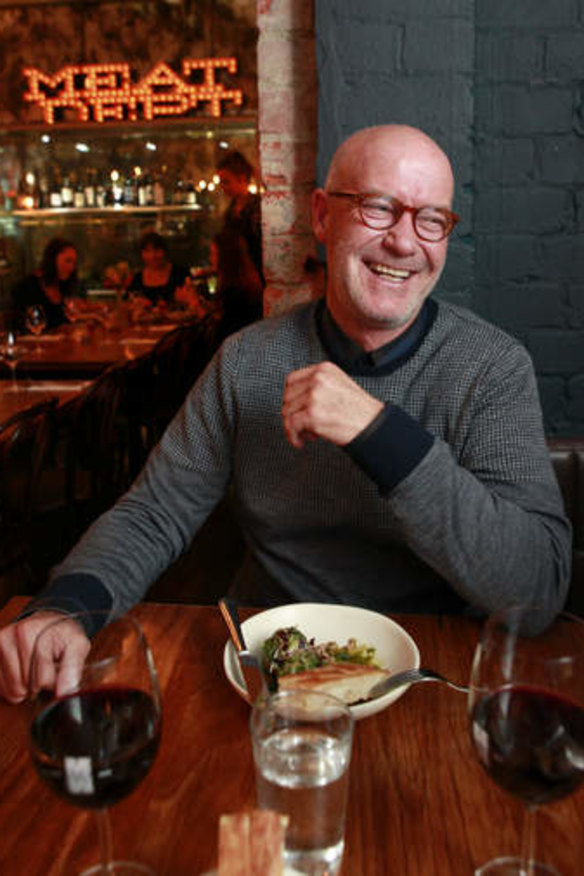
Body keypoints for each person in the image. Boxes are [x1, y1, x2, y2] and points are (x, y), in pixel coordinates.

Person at [0, 124, 572, 702]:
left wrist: (378, 433)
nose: (405, 242)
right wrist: (66, 608)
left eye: (431, 220)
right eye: (379, 208)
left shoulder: (491, 367)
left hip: (432, 675)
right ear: (323, 218)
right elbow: (154, 513)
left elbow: (536, 588)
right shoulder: (247, 361)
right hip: (265, 668)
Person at [212, 150, 264, 336]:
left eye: (226, 181)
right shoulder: (231, 210)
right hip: (234, 286)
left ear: (242, 178)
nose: (223, 187)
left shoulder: (256, 209)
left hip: (253, 285)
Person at [11, 237, 78, 330]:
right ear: (52, 260)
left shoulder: (62, 286)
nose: (71, 268)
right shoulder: (28, 287)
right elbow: (19, 326)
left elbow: (64, 321)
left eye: (73, 263)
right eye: (67, 261)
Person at [126, 230, 189, 306]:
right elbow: (127, 303)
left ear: (165, 251)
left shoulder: (180, 273)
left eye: (157, 250)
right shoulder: (137, 279)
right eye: (147, 251)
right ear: (142, 254)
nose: (153, 256)